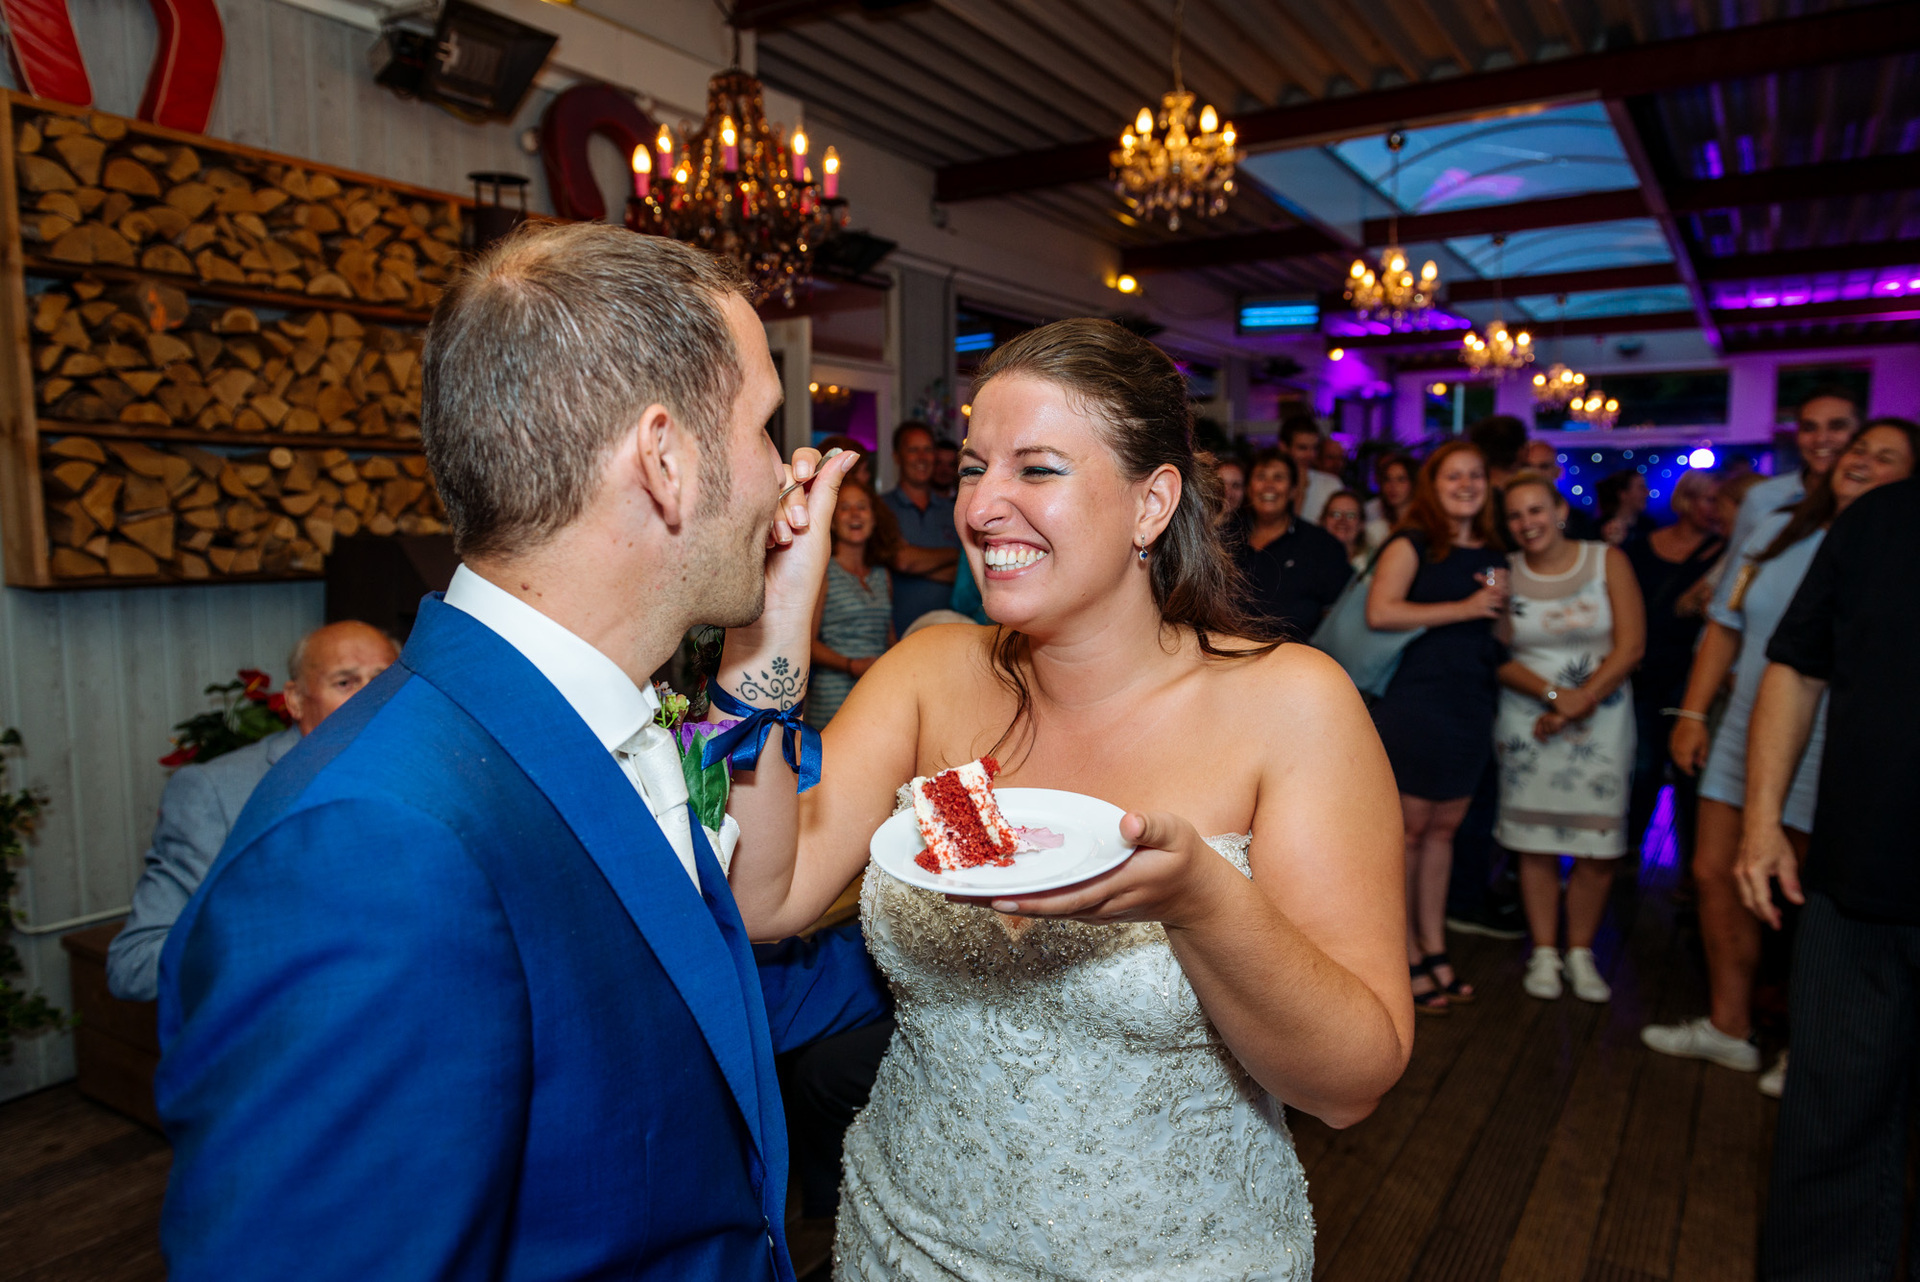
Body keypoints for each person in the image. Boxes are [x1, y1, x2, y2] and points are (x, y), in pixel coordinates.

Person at [153, 223, 888, 1281]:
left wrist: (945, 939)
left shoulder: (593, 719)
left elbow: (692, 984)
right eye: (769, 427)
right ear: (666, 459)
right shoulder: (371, 851)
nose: (787, 473)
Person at [722, 317, 1413, 1278]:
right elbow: (762, 897)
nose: (983, 506)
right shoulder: (930, 671)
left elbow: (1348, 1086)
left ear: (1151, 502)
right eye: (972, 469)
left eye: (1037, 469)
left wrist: (1202, 904)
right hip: (904, 1241)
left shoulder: (1290, 704)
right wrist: (768, 628)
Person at [1642, 419, 1917, 1090]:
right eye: (1859, 450)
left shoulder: (1893, 548)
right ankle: (1729, 1026)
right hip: (1744, 724)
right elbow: (1724, 626)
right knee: (1714, 871)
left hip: (1835, 739)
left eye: (1884, 457)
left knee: (1805, 893)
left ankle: (1810, 1044)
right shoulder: (1775, 530)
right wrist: (1690, 714)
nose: (1859, 461)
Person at [1734, 435, 1920, 1280]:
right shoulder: (1880, 520)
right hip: (1857, 878)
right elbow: (1796, 668)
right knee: (1830, 1131)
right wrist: (1763, 821)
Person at [105, 621, 398, 1002]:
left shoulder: (428, 775)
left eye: (386, 681)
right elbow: (135, 965)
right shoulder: (216, 793)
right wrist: (284, 935)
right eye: (345, 682)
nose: (371, 698)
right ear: (294, 699)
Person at [1366, 441, 1510, 1014]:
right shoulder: (1413, 542)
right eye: (1455, 475)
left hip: (1471, 703)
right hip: (1417, 702)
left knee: (1444, 834)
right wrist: (1467, 608)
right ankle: (1400, 952)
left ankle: (1434, 942)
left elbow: (1499, 635)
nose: (1467, 484)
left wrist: (1504, 615)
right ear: (1435, 483)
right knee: (1406, 835)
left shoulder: (1497, 552)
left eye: (1476, 474)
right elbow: (1382, 612)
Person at [1492, 473, 1645, 1002]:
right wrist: (1557, 698)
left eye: (1536, 510)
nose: (1527, 523)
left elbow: (1631, 647)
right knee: (1532, 844)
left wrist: (1581, 701)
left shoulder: (1607, 560)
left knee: (1596, 845)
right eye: (1515, 515)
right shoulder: (1501, 574)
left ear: (1559, 510)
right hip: (1527, 719)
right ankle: (1544, 952)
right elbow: (1495, 656)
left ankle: (1580, 953)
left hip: (1602, 719)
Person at [1622, 468, 1724, 871]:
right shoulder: (1642, 547)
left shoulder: (1725, 553)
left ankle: (1690, 864)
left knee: (1690, 770)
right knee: (1643, 764)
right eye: (1707, 500)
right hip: (1645, 670)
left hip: (1694, 672)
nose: (1713, 510)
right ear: (1685, 500)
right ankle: (1629, 849)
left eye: (1720, 502)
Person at [1722, 387, 1859, 562]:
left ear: (1860, 434)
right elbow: (1737, 569)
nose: (1821, 439)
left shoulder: (1872, 502)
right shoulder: (1763, 497)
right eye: (1809, 428)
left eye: (1836, 426)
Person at [1230, 448, 1353, 636]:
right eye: (1261, 477)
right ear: (1249, 488)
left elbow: (1342, 613)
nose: (1268, 485)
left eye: (1278, 478)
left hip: (1296, 657)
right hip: (1226, 656)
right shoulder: (1223, 540)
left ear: (1293, 490)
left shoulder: (1322, 546)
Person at [808, 477, 894, 728]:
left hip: (878, 690)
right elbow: (807, 644)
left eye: (862, 506)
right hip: (834, 696)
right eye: (844, 508)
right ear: (833, 522)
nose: (854, 514)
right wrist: (851, 665)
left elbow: (888, 639)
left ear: (874, 518)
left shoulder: (882, 574)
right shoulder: (824, 572)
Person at [881, 421, 963, 635]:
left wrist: (912, 565)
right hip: (896, 636)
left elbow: (967, 572)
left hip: (949, 633)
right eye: (913, 450)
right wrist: (953, 554)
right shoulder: (881, 508)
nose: (922, 457)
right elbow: (902, 559)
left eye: (927, 450)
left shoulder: (954, 510)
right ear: (897, 457)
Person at [1521, 438, 1601, 539]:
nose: (1535, 473)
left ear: (1557, 471)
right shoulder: (1508, 512)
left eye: (1543, 467)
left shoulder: (1577, 520)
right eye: (1528, 467)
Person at [1282, 414, 1342, 521]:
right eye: (1302, 448)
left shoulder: (1331, 484)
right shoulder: (1270, 484)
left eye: (1314, 448)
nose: (1310, 455)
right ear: (1283, 447)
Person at [1364, 451, 1414, 551]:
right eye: (1387, 479)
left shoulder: (1427, 526)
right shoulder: (1376, 529)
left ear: (1414, 483)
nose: (1392, 486)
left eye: (1401, 479)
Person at [1596, 469, 1654, 545]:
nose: (1647, 493)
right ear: (1623, 494)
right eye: (1641, 488)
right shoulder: (1598, 529)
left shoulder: (1650, 527)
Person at [1320, 488, 1370, 569]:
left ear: (1361, 524)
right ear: (1323, 521)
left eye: (1350, 516)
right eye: (1336, 514)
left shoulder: (1375, 563)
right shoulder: (1308, 558)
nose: (1342, 520)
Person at [1215, 454, 1247, 522]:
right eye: (1221, 484)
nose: (1228, 492)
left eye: (1235, 486)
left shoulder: (1250, 530)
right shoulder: (1193, 522)